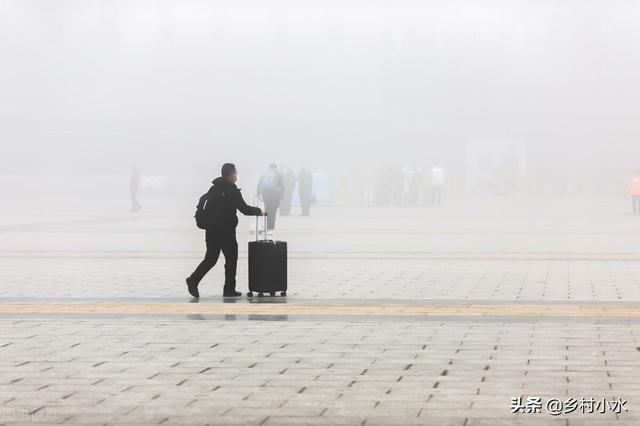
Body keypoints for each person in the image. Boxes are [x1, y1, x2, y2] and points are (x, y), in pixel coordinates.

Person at [186, 163, 263, 298]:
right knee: (231, 259)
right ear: (231, 174)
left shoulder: (214, 188)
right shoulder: (231, 190)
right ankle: (229, 289)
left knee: (210, 259)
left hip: (211, 230)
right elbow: (244, 209)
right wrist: (260, 211)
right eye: (236, 172)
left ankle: (193, 280)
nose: (237, 175)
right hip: (226, 231)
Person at [257, 163, 284, 232]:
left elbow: (259, 183)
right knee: (273, 212)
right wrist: (281, 196)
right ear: (275, 168)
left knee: (267, 210)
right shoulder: (278, 174)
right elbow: (282, 186)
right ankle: (270, 229)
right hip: (274, 195)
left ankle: (266, 227)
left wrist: (258, 194)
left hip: (265, 194)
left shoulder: (264, 173)